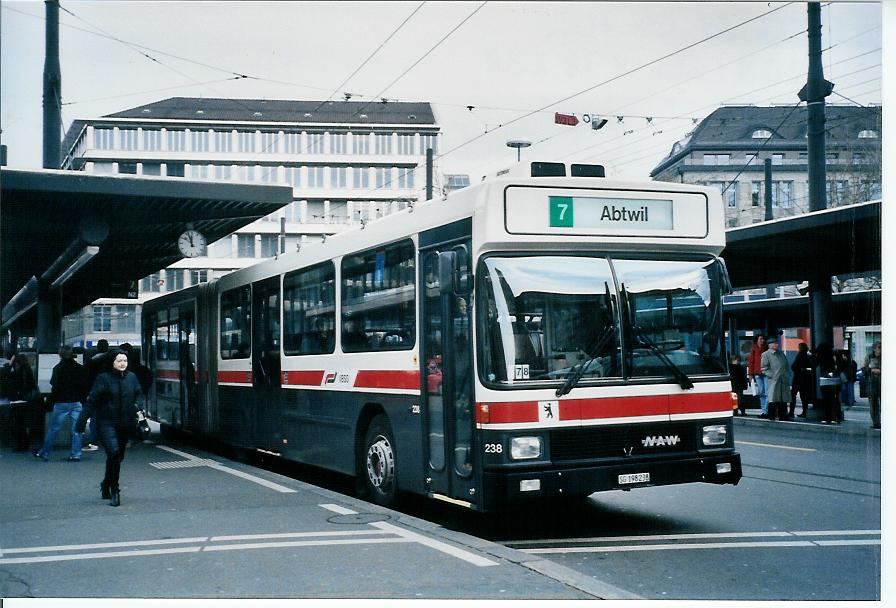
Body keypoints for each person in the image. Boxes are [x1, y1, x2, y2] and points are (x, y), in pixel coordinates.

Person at [76, 350, 144, 507]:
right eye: (119, 360)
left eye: (125, 361)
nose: (122, 363)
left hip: (125, 423)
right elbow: (92, 400)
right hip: (106, 422)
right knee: (113, 453)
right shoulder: (103, 379)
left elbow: (139, 394)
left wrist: (137, 405)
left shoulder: (132, 378)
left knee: (117, 457)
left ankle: (106, 483)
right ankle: (115, 490)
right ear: (112, 362)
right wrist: (81, 421)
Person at [35, 345, 90, 462]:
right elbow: (84, 385)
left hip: (61, 402)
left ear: (60, 355)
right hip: (76, 402)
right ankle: (76, 454)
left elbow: (54, 385)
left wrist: (50, 401)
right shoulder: (79, 368)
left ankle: (45, 452)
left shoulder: (57, 368)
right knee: (77, 429)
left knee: (54, 428)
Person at [8, 353, 40, 452]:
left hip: (20, 399)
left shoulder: (20, 370)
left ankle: (20, 445)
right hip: (27, 400)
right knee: (23, 423)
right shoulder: (28, 369)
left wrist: (10, 363)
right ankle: (24, 444)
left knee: (18, 423)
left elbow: (17, 383)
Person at [761, 337, 791, 421]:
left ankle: (783, 416)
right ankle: (771, 415)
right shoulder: (766, 354)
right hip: (774, 380)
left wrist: (787, 374)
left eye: (777, 343)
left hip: (783, 379)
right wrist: (772, 375)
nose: (776, 345)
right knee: (773, 398)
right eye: (774, 343)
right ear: (769, 345)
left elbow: (786, 364)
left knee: (783, 398)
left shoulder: (781, 353)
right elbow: (764, 368)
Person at [815, 343, 840, 425]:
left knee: (826, 400)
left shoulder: (820, 355)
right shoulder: (834, 354)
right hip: (835, 380)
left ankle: (828, 418)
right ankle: (837, 418)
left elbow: (814, 364)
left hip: (824, 379)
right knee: (835, 399)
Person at [790, 343, 814, 418]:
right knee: (804, 397)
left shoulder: (800, 355)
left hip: (797, 379)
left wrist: (798, 369)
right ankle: (804, 412)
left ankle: (791, 412)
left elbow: (793, 366)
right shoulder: (809, 356)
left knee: (793, 395)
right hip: (806, 379)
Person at [747, 334, 769, 418]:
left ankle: (766, 411)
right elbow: (751, 362)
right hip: (757, 373)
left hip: (765, 373)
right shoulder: (754, 349)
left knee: (766, 393)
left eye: (763, 339)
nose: (762, 340)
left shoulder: (766, 349)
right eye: (760, 339)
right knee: (761, 393)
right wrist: (750, 374)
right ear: (757, 340)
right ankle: (764, 411)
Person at [863, 341, 881, 430]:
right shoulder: (869, 357)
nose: (880, 349)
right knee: (873, 405)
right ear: (874, 348)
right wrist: (870, 370)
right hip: (872, 383)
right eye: (879, 347)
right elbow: (863, 369)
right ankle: (876, 423)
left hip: (882, 384)